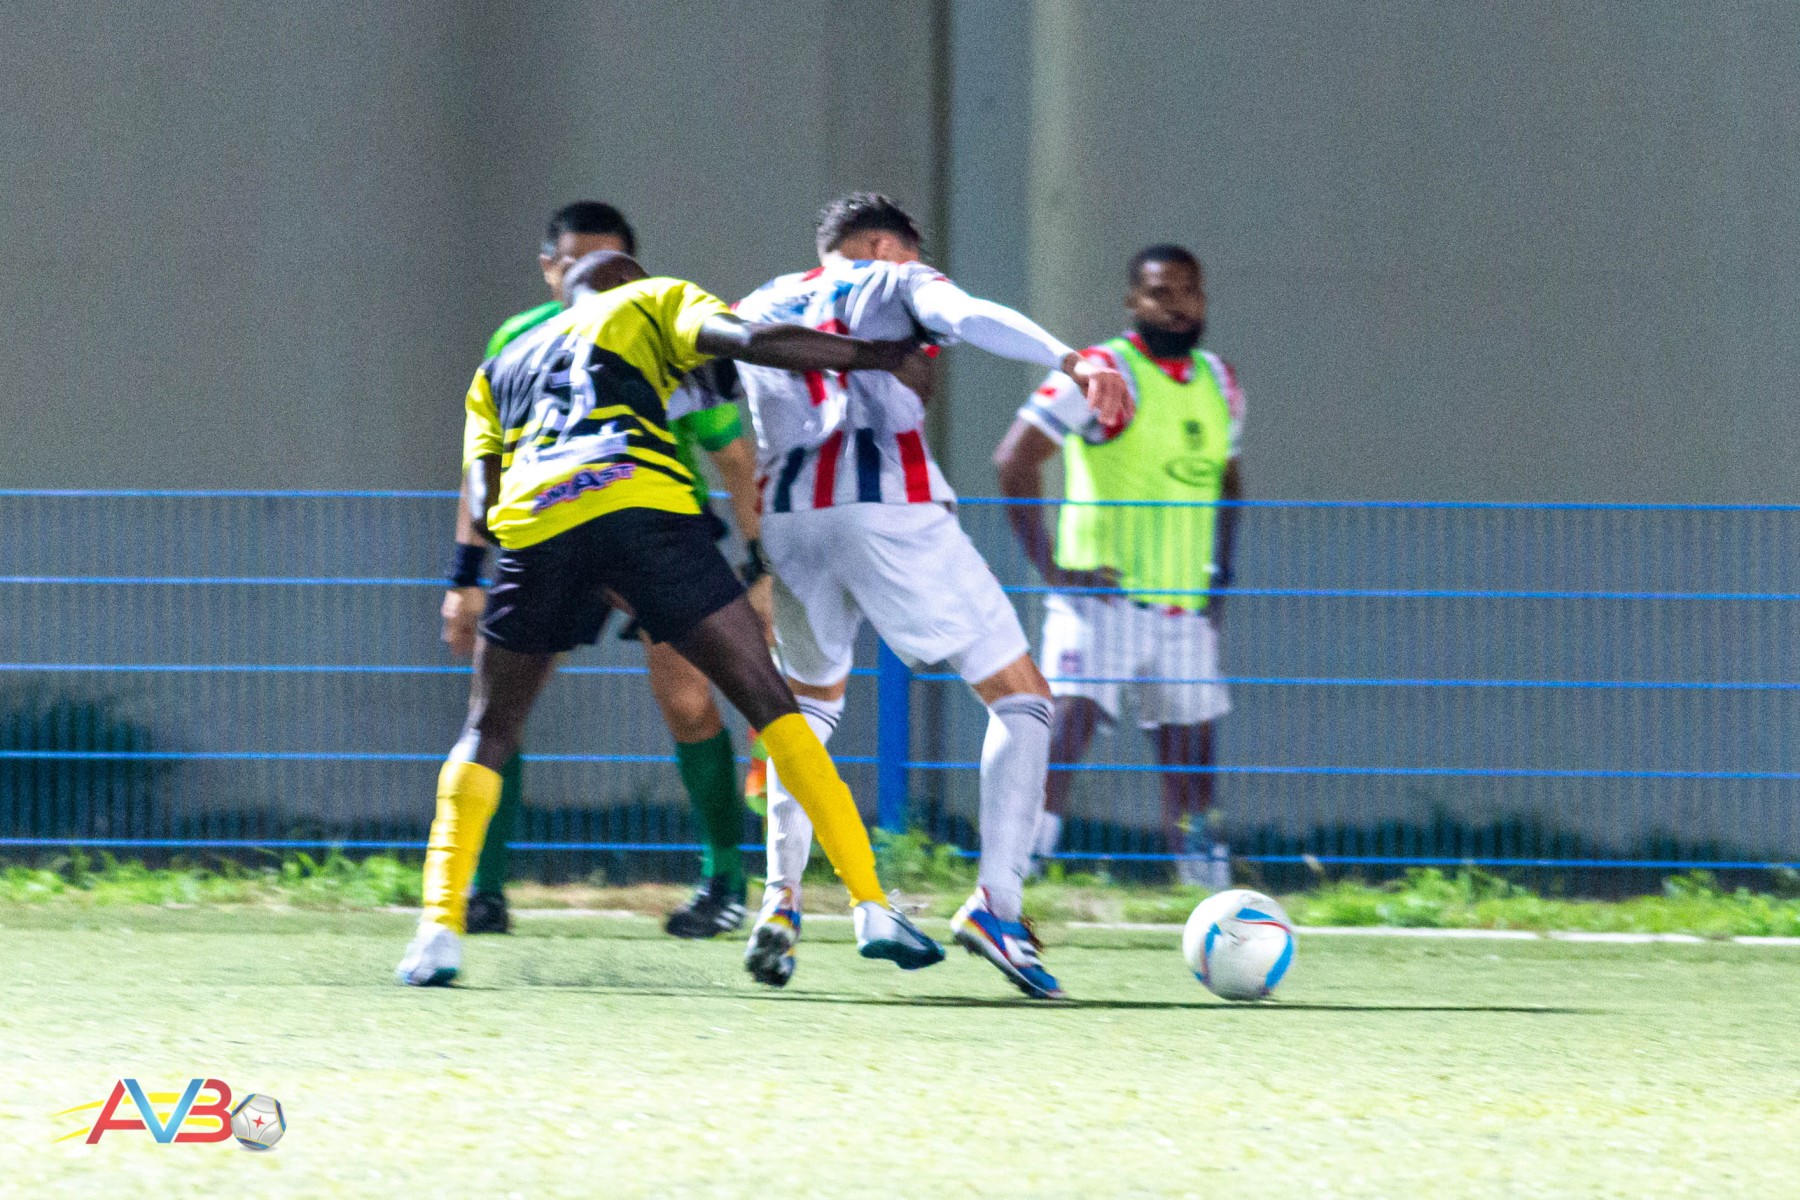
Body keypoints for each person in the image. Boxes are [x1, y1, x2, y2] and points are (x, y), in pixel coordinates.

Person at [396, 250, 944, 986]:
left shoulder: (499, 366)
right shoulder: (651, 298)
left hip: (537, 525)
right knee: (771, 704)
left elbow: (485, 496)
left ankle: (437, 929)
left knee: (487, 728)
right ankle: (871, 904)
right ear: (629, 282)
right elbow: (749, 340)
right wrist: (875, 355)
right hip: (643, 512)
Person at [729, 193, 1130, 999]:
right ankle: (997, 907)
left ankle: (780, 900)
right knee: (1022, 697)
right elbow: (970, 314)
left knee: (806, 714)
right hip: (887, 509)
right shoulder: (890, 279)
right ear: (884, 244)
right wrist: (1074, 359)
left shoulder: (756, 303)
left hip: (791, 523)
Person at [441, 201, 771, 939]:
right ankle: (479, 891)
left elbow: (731, 454)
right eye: (572, 260)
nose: (590, 273)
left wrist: (761, 567)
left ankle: (724, 881)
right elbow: (482, 463)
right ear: (548, 268)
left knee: (687, 698)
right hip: (550, 525)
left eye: (608, 261)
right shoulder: (516, 340)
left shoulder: (656, 327)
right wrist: (465, 577)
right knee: (498, 703)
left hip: (655, 527)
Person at [993, 243, 1244, 889]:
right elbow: (1014, 459)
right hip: (1101, 599)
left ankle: (1201, 882)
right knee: (1064, 732)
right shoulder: (1104, 372)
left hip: (1184, 606)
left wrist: (1220, 576)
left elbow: (1229, 479)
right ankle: (1017, 870)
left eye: (1189, 290)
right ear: (1133, 301)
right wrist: (1054, 569)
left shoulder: (1220, 380)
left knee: (1192, 752)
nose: (1178, 304)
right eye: (1161, 292)